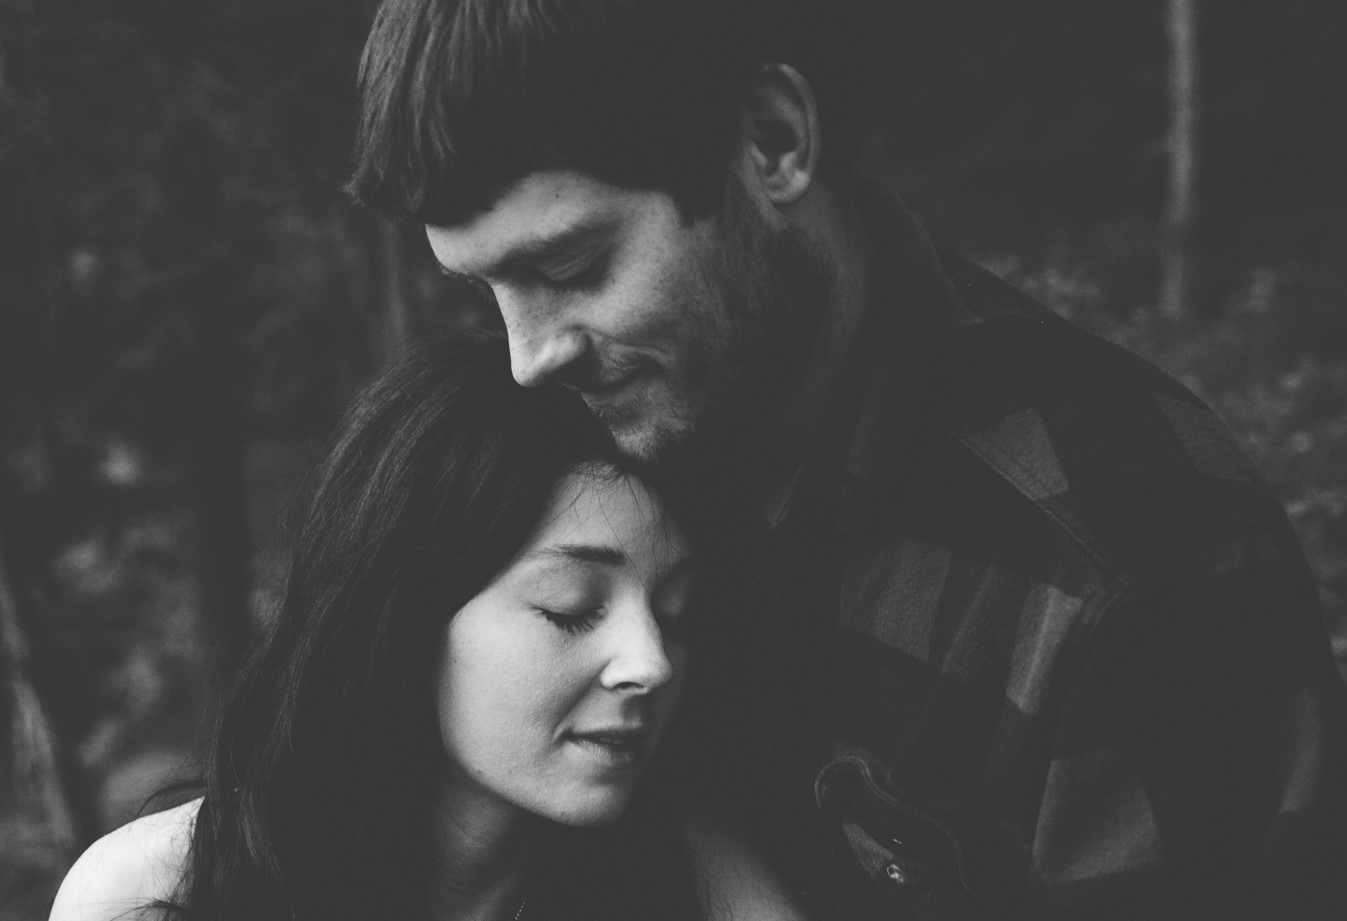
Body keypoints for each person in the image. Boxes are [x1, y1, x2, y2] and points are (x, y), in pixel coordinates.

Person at [345, 1, 1347, 919]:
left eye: (573, 266)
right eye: (483, 289)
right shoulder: (571, 452)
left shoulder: (1130, 563)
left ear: (773, 141)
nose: (528, 358)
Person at [48, 335, 807, 921]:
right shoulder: (159, 894)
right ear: (408, 612)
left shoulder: (685, 876)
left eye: (674, 612)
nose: (653, 661)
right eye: (571, 606)